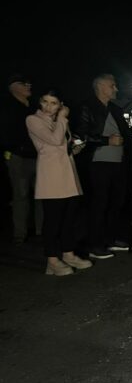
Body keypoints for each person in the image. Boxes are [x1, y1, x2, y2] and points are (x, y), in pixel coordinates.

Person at [26, 89, 92, 275]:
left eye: (53, 103)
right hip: (51, 176)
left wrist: (75, 149)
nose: (48, 106)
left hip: (67, 174)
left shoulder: (58, 121)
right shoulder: (33, 120)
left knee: (69, 218)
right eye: (45, 101)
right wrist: (63, 117)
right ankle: (52, 260)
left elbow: (63, 145)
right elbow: (55, 140)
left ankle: (68, 253)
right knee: (53, 219)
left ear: (60, 104)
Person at [75, 74, 132, 259]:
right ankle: (95, 244)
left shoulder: (115, 109)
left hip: (118, 163)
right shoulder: (87, 107)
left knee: (117, 202)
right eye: (112, 85)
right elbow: (79, 137)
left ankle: (111, 239)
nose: (116, 89)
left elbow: (124, 133)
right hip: (97, 163)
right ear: (100, 87)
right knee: (99, 204)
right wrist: (106, 140)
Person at [2, 74, 42, 244]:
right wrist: (11, 149)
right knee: (20, 195)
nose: (28, 85)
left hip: (39, 156)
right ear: (12, 87)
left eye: (28, 82)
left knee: (42, 194)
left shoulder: (35, 107)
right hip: (18, 157)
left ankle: (42, 231)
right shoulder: (6, 107)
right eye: (23, 83)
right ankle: (20, 233)